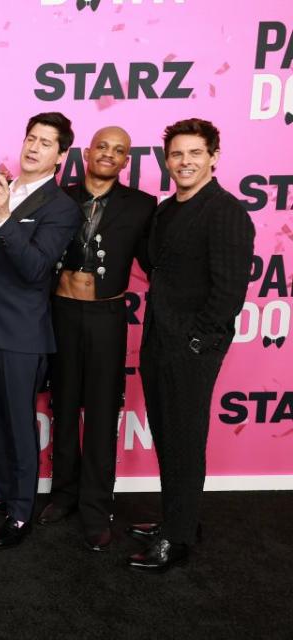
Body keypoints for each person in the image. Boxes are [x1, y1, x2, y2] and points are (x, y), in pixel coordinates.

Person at [127, 118, 254, 572]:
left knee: (184, 439)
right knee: (168, 435)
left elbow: (229, 291)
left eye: (195, 153)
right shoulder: (166, 209)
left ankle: (177, 541)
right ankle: (180, 519)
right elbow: (155, 264)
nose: (184, 162)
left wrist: (197, 342)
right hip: (158, 339)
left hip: (192, 348)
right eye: (177, 154)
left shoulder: (225, 211)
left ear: (213, 157)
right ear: (168, 159)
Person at [0, 112, 82, 549]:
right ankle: (1, 492)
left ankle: (22, 512)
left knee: (18, 425)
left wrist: (6, 216)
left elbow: (35, 269)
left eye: (46, 143)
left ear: (61, 155)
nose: (34, 147)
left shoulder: (62, 207)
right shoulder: (1, 189)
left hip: (21, 335)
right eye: (31, 138)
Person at [39, 127, 156, 552]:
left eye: (119, 150)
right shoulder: (58, 196)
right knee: (64, 408)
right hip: (61, 313)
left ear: (127, 160)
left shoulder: (143, 206)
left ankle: (96, 507)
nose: (109, 154)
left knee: (103, 414)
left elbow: (157, 261)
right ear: (86, 152)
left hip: (107, 316)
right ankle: (63, 496)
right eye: (102, 146)